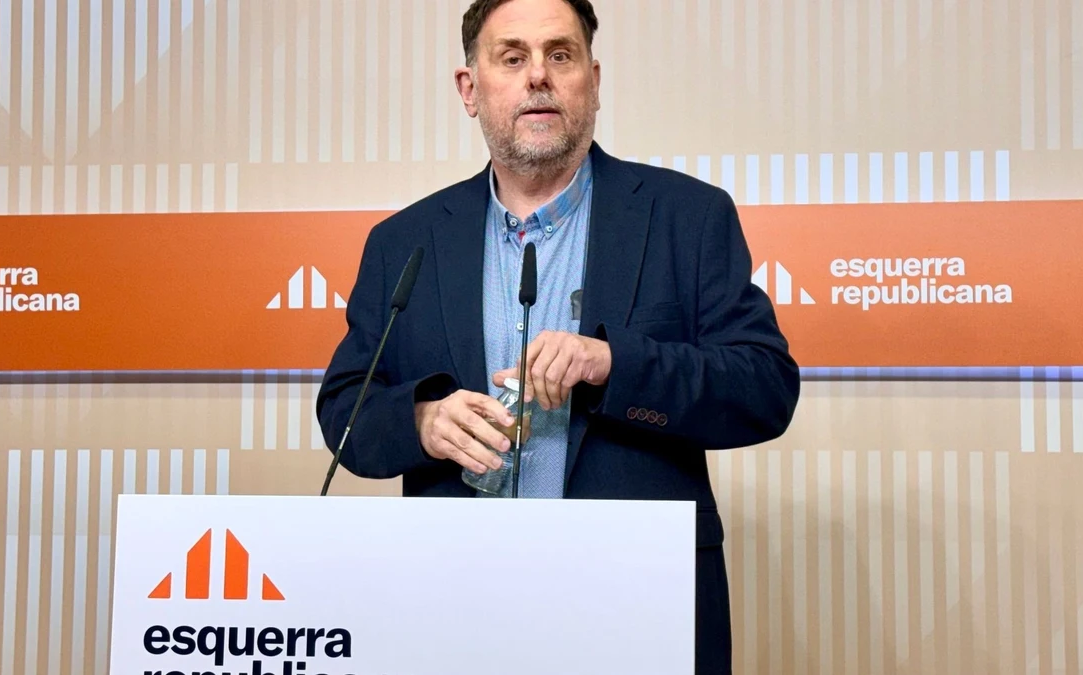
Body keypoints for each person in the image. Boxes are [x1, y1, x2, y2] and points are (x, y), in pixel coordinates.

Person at [316, 0, 800, 671]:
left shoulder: (687, 218)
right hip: (452, 604)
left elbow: (764, 388)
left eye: (560, 55)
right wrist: (421, 420)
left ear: (593, 82)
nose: (538, 75)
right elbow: (345, 410)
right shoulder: (404, 242)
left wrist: (613, 363)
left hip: (638, 603)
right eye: (512, 57)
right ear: (470, 89)